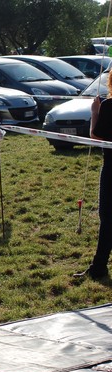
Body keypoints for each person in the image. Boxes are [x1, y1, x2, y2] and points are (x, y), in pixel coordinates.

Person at [75, 72, 112, 280]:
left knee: (107, 217)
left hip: (111, 166)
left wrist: (94, 112)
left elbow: (96, 135)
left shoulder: (108, 106)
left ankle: (99, 266)